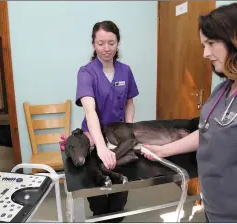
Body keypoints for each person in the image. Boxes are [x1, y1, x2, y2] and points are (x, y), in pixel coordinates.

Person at [142, 3, 237, 223]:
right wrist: (164, 150)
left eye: (211, 43)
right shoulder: (224, 88)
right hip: (214, 210)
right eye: (204, 45)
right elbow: (208, 131)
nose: (205, 53)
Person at [75, 20, 139, 222]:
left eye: (111, 43)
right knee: (99, 200)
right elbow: (89, 110)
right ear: (93, 44)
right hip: (94, 139)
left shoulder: (125, 71)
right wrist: (101, 148)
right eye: (101, 43)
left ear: (118, 43)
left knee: (119, 195)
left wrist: (128, 129)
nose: (106, 48)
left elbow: (130, 102)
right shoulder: (86, 72)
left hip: (119, 138)